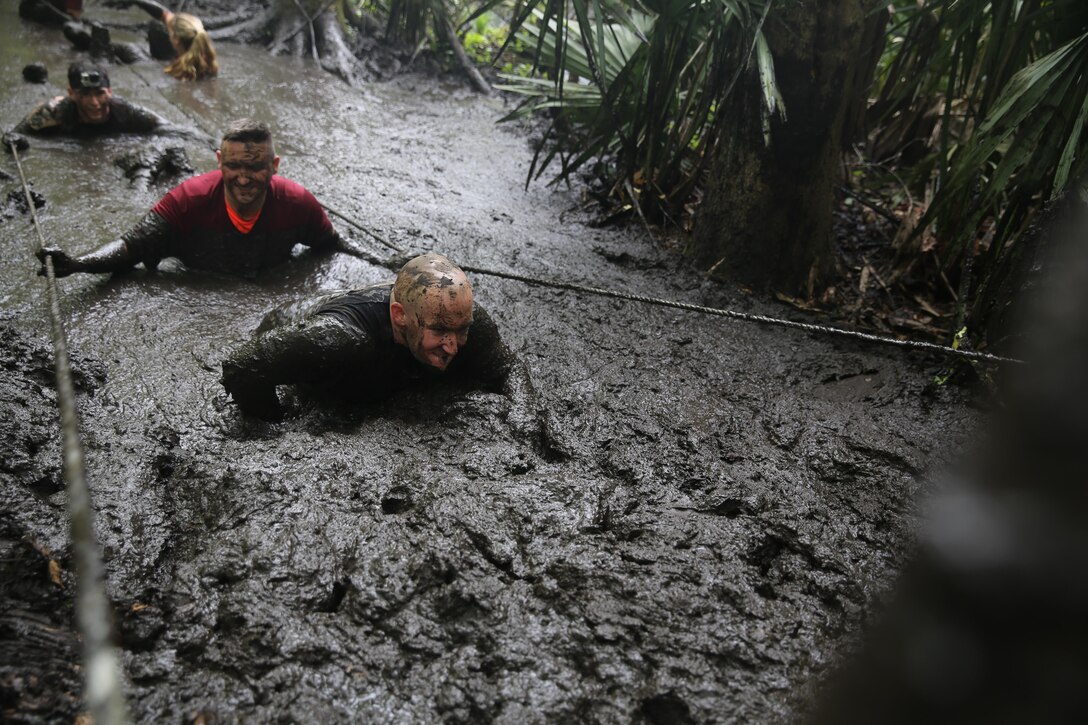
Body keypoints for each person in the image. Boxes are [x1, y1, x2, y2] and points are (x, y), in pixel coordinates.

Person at [221, 253, 543, 434]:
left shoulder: (463, 321)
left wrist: (524, 414)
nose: (453, 346)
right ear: (401, 316)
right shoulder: (341, 341)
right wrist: (277, 425)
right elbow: (244, 366)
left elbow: (507, 366)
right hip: (299, 327)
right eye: (440, 331)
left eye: (462, 331)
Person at [37, 118, 366, 278]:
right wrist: (78, 263)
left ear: (274, 166)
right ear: (219, 161)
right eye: (234, 166)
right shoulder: (188, 199)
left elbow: (334, 243)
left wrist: (382, 261)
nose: (243, 178)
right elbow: (129, 247)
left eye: (255, 167)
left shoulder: (297, 202)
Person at [13, 62, 169, 137]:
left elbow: (170, 129)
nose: (94, 103)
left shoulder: (126, 111)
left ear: (109, 91)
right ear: (72, 94)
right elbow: (15, 136)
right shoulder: (53, 111)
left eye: (100, 93)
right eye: (85, 95)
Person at [106, 0, 218, 80]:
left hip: (165, 71)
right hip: (178, 57)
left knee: (128, 49)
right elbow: (166, 15)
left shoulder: (181, 74)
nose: (167, 28)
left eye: (170, 30)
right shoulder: (206, 56)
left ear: (176, 39)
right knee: (156, 26)